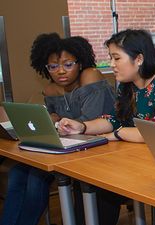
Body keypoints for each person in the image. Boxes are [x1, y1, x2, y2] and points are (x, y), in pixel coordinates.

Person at [57, 29, 155, 225]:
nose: (112, 65)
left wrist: (117, 134)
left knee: (103, 186)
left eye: (116, 58)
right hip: (141, 158)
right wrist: (81, 127)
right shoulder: (128, 85)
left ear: (138, 59)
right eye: (110, 58)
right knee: (92, 181)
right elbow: (114, 119)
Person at [0, 33, 115, 225]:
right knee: (17, 173)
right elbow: (54, 122)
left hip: (99, 148)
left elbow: (90, 121)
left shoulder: (90, 75)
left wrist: (56, 121)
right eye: (53, 66)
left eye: (68, 64)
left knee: (37, 178)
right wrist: (51, 120)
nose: (60, 71)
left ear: (80, 63)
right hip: (65, 147)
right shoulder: (50, 90)